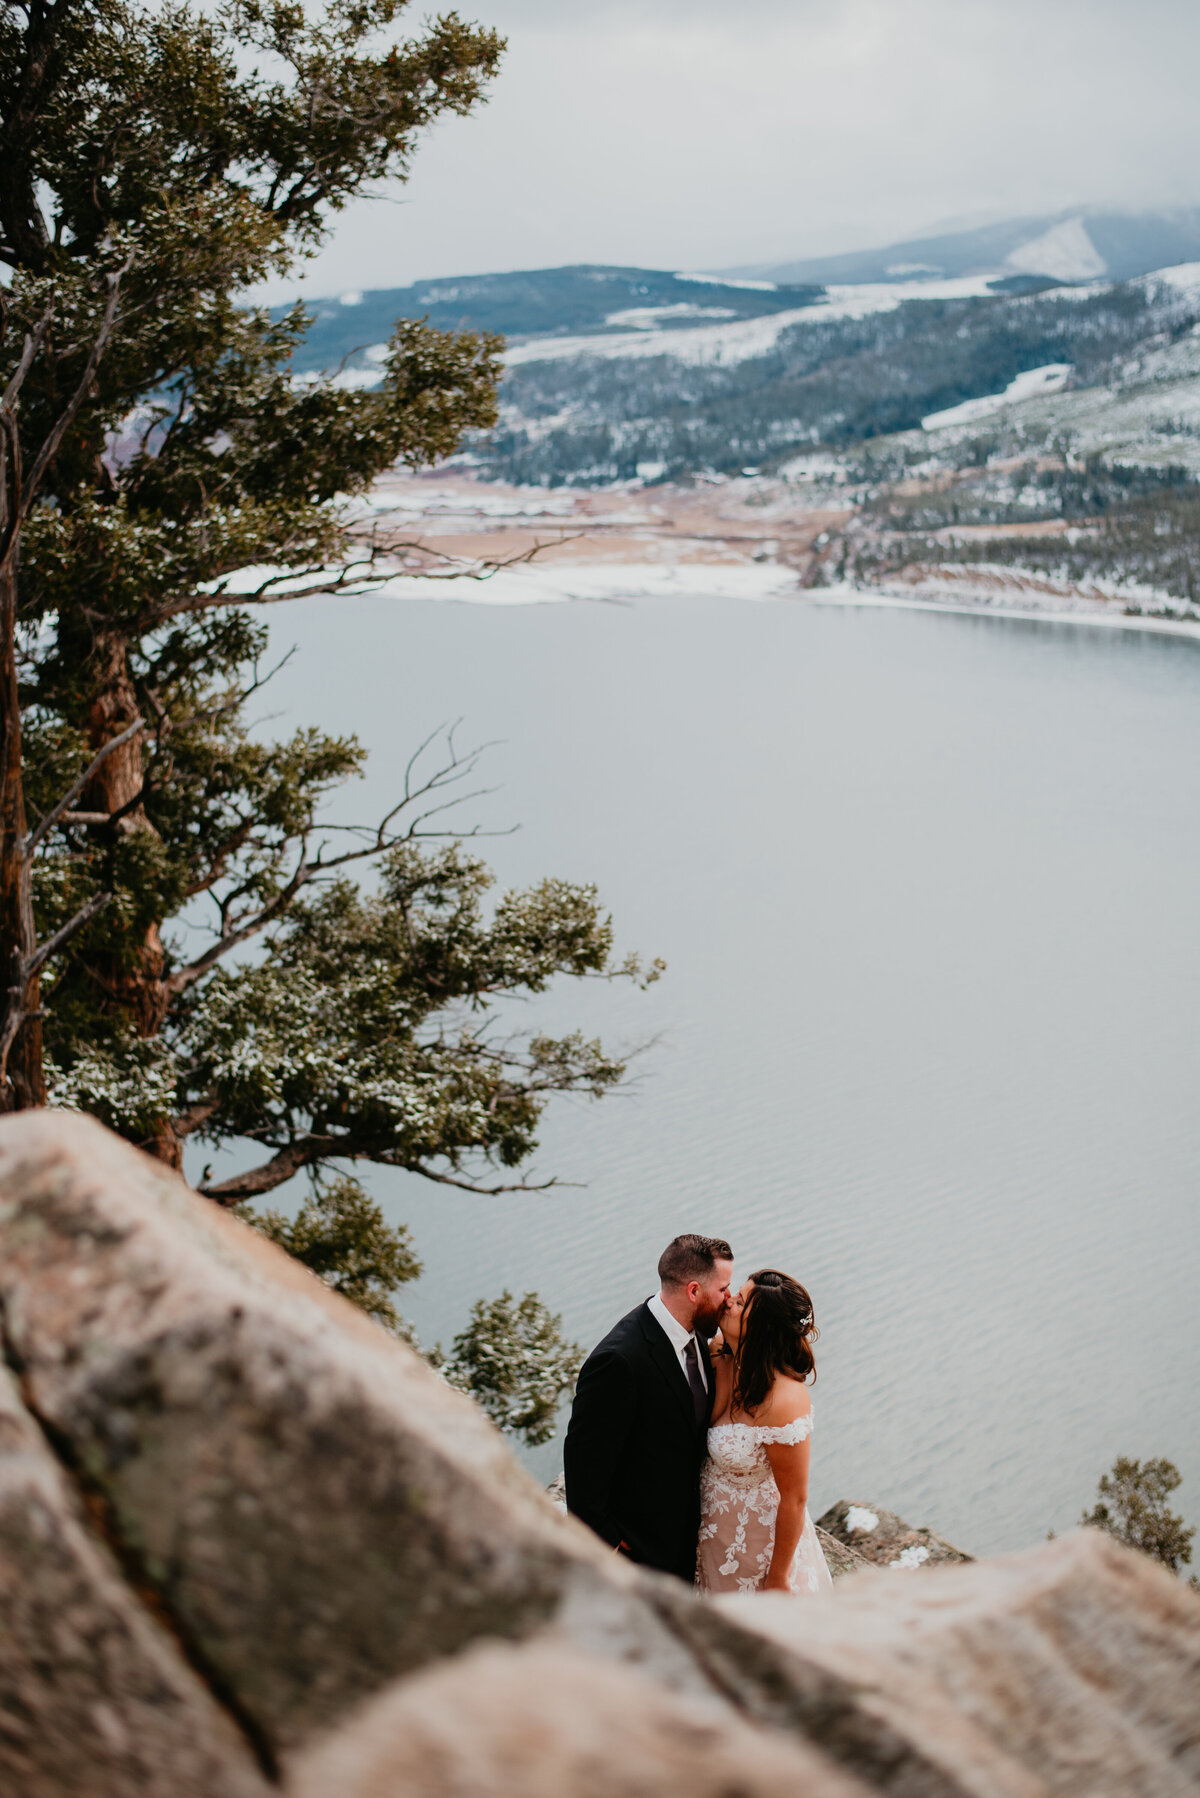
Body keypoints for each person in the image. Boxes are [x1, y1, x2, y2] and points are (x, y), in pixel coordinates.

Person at [564, 1233, 734, 1583]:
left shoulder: (698, 1339)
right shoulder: (619, 1360)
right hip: (639, 1554)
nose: (728, 1299)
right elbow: (584, 1465)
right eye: (723, 1289)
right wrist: (611, 1547)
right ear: (693, 1291)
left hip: (689, 1543)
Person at [696, 1269, 832, 1595]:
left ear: (759, 1328)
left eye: (740, 1301)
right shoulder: (717, 1354)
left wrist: (778, 1577)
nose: (728, 1300)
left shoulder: (784, 1400)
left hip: (758, 1545)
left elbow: (794, 1499)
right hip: (712, 1533)